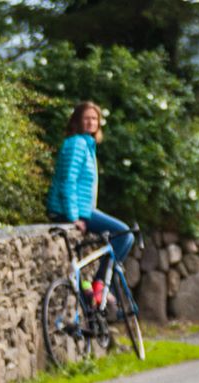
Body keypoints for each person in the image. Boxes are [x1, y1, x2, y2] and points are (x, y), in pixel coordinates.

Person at [46, 100, 134, 305]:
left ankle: (93, 288)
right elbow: (68, 180)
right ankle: (100, 284)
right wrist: (73, 216)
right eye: (86, 118)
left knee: (120, 236)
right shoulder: (77, 144)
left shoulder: (87, 145)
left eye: (94, 118)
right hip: (76, 211)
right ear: (77, 121)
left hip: (84, 209)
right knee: (124, 235)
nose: (91, 122)